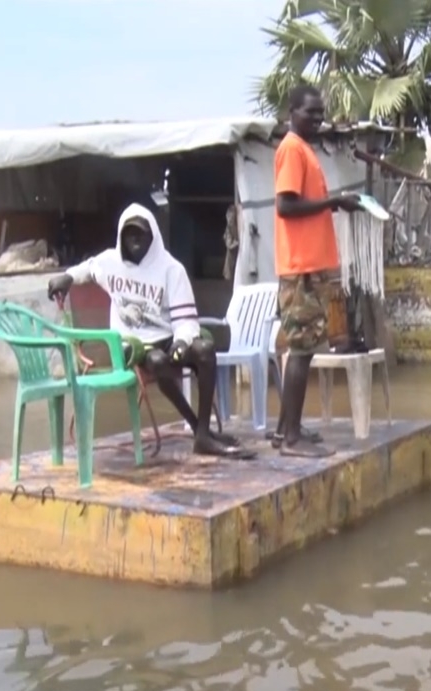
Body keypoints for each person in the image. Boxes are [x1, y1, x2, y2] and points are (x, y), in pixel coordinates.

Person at [46, 203, 252, 458]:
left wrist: (181, 342)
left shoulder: (171, 269)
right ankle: (199, 428)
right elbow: (87, 268)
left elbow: (185, 320)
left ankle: (202, 433)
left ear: (152, 235)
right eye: (129, 234)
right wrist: (66, 277)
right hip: (132, 343)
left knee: (205, 350)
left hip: (166, 336)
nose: (135, 240)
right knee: (157, 361)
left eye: (140, 234)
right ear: (121, 235)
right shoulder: (110, 262)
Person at [272, 84, 364, 458]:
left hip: (311, 266)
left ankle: (284, 430)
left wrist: (334, 205)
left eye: (321, 112)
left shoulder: (305, 150)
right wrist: (333, 201)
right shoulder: (292, 149)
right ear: (292, 112)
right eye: (310, 112)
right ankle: (292, 440)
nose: (318, 118)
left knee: (304, 348)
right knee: (302, 350)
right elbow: (285, 206)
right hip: (301, 268)